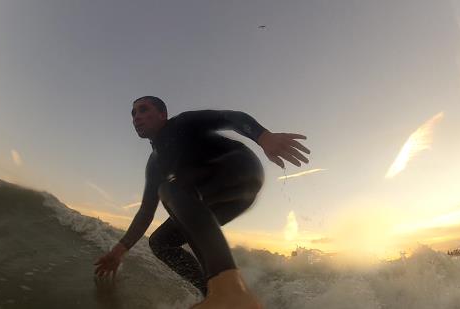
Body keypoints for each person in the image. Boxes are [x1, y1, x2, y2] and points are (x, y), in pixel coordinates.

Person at [94, 96, 310, 308]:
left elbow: (230, 117)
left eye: (143, 110)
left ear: (162, 114)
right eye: (133, 113)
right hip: (219, 199)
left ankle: (230, 289)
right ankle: (215, 294)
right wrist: (119, 251)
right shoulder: (155, 164)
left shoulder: (182, 123)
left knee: (170, 188)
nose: (136, 117)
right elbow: (146, 211)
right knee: (161, 242)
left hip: (239, 168)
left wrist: (263, 137)